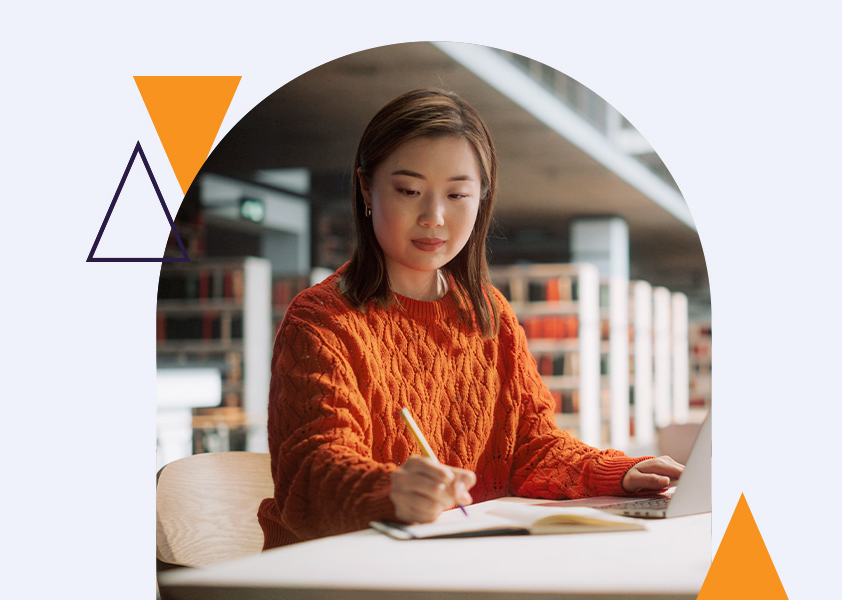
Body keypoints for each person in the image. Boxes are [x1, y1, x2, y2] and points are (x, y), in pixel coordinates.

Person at [257, 89, 684, 549]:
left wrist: (617, 472)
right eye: (409, 191)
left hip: (459, 562)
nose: (434, 217)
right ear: (366, 188)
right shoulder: (322, 319)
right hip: (334, 571)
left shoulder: (490, 313)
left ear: (482, 198)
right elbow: (312, 471)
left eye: (458, 194)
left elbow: (531, 448)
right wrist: (391, 491)